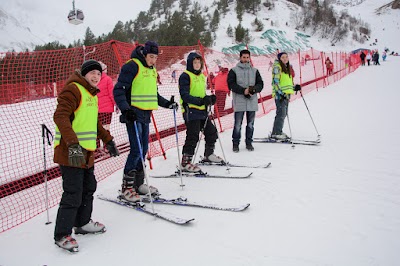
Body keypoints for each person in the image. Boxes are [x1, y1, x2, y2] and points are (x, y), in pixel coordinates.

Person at [53, 59, 120, 251]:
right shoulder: (73, 89)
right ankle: (62, 234)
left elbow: (94, 123)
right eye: (92, 73)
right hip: (70, 152)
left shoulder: (92, 94)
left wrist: (108, 140)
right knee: (73, 193)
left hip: (87, 152)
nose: (96, 76)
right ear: (84, 74)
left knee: (88, 188)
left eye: (99, 74)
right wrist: (73, 145)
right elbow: (60, 116)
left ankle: (82, 224)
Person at [113, 41, 177, 202]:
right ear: (144, 54)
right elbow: (118, 90)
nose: (153, 60)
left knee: (143, 150)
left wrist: (168, 104)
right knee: (136, 150)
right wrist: (125, 109)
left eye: (155, 57)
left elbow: (152, 94)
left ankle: (138, 184)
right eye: (150, 56)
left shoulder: (152, 70)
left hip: (145, 115)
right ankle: (126, 188)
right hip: (133, 115)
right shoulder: (132, 66)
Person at [179, 52, 223, 172]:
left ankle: (208, 155)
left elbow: (201, 94)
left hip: (202, 111)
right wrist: (201, 101)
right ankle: (185, 162)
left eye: (199, 62)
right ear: (190, 64)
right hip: (191, 111)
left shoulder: (202, 76)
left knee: (212, 132)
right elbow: (185, 95)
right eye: (195, 62)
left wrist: (209, 99)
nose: (197, 65)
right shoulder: (185, 76)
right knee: (193, 136)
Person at [228, 49, 264, 152]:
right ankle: (235, 143)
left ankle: (249, 143)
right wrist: (243, 91)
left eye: (247, 57)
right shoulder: (234, 70)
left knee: (250, 124)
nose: (246, 59)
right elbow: (231, 84)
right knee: (238, 124)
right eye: (244, 57)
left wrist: (254, 89)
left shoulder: (254, 70)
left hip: (251, 101)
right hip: (239, 101)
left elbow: (260, 83)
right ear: (240, 57)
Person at [270, 52, 301, 140]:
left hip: (286, 95)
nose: (285, 59)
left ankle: (278, 131)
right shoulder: (277, 67)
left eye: (286, 57)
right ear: (279, 58)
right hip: (280, 95)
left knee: (283, 114)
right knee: (281, 113)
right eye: (283, 57)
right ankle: (276, 133)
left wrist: (294, 87)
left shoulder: (287, 68)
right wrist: (281, 93)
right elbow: (275, 82)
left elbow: (287, 83)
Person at [96, 61, 116, 151]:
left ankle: (96, 146)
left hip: (96, 109)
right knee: (106, 127)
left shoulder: (93, 79)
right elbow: (112, 93)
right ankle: (107, 146)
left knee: (96, 127)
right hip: (107, 109)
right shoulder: (108, 79)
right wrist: (116, 104)